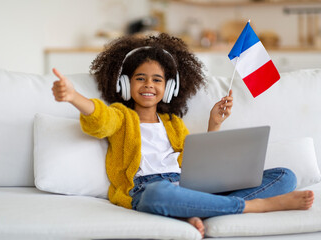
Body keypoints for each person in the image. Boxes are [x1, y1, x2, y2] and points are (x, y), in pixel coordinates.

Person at [52, 33, 314, 238]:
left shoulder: (174, 124)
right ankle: (253, 207)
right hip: (148, 188)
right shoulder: (121, 116)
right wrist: (74, 97)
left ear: (169, 87)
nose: (148, 85)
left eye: (157, 80)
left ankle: (194, 209)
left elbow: (198, 164)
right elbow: (100, 120)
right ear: (125, 83)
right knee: (159, 195)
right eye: (140, 78)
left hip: (188, 186)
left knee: (285, 177)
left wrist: (214, 123)